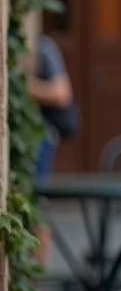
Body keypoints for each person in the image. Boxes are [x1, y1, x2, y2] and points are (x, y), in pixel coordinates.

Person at [28, 33, 76, 181]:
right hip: (29, 134)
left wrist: (27, 87)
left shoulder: (44, 47)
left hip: (42, 132)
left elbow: (62, 94)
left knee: (37, 188)